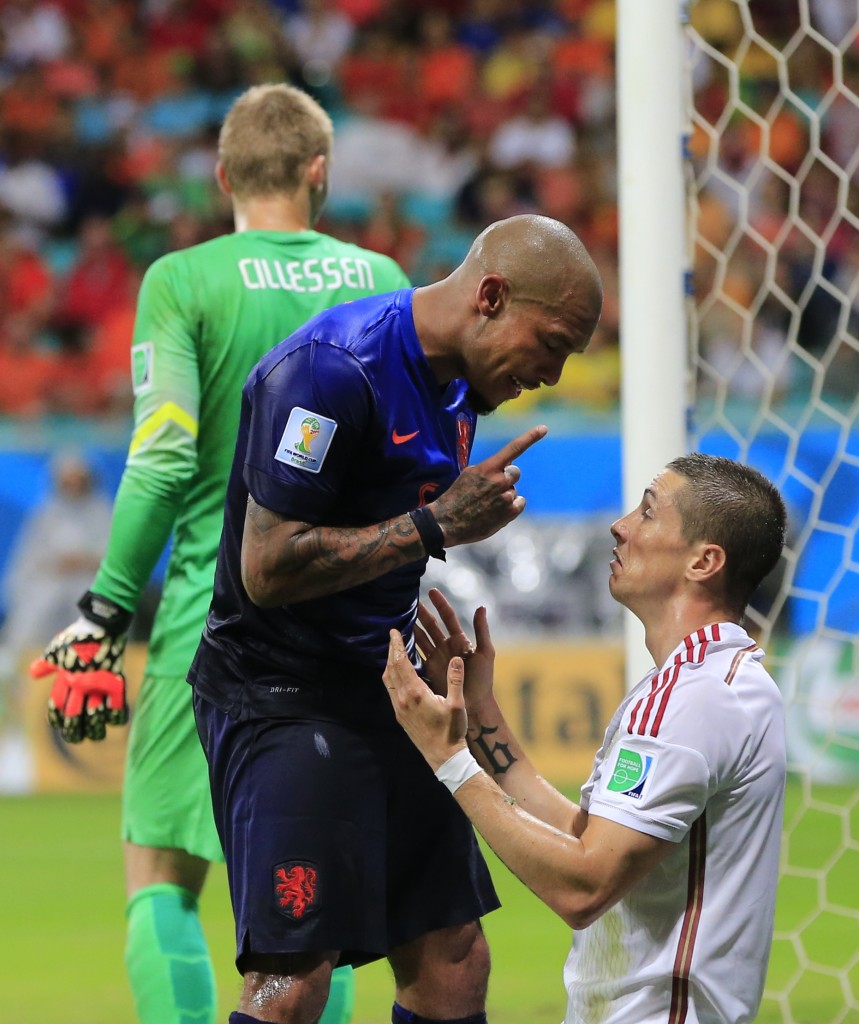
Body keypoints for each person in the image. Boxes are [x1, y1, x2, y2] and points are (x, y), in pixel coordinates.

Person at [29, 82, 412, 1024]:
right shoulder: (382, 285)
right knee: (320, 899)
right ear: (319, 174)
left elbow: (161, 462)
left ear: (222, 174)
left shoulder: (184, 281)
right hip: (349, 625)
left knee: (160, 877)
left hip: (214, 622)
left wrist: (107, 608)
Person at [186, 212, 604, 1024]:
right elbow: (266, 570)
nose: (550, 372)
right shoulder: (330, 372)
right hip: (282, 697)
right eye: (550, 341)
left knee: (453, 961)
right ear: (489, 296)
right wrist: (432, 527)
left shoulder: (457, 383)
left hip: (389, 695)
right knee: (292, 978)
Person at [383, 453, 788, 1024]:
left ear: (705, 560)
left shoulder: (698, 698)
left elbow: (584, 887)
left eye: (648, 513)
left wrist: (447, 759)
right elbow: (587, 837)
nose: (620, 526)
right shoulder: (711, 680)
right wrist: (480, 718)